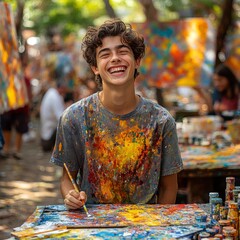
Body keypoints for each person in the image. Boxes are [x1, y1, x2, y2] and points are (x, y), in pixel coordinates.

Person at [50, 19, 183, 210]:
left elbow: (169, 187)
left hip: (145, 228)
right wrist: (71, 195)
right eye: (105, 54)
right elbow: (66, 179)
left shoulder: (161, 121)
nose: (115, 58)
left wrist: (156, 227)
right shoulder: (73, 118)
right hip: (92, 226)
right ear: (95, 67)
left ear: (137, 61)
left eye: (122, 51)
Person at [40, 81, 68, 152]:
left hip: (46, 131)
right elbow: (61, 117)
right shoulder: (55, 97)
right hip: (50, 134)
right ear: (61, 88)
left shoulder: (51, 92)